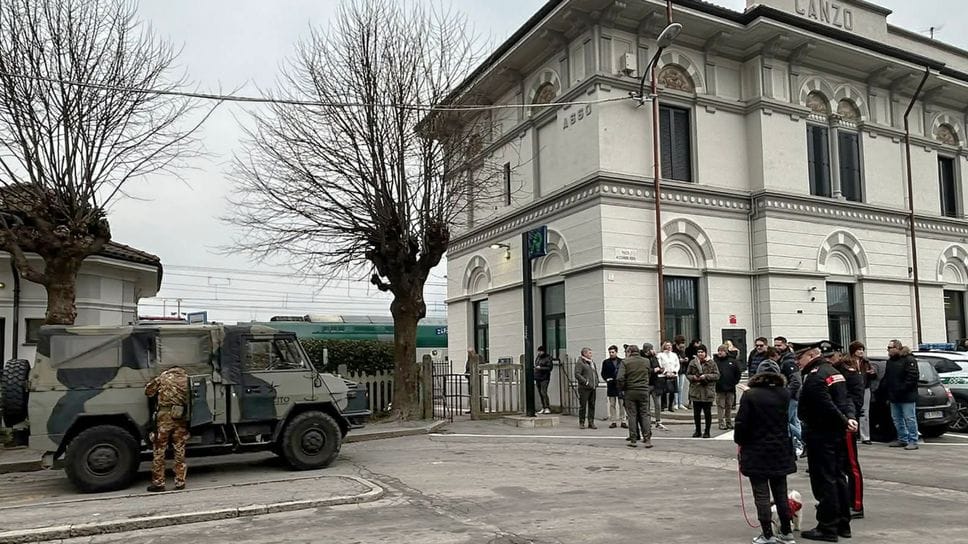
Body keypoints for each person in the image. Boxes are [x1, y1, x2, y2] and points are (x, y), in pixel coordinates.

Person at [795, 341, 856, 542]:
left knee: (824, 481)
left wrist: (844, 420)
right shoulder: (833, 371)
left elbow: (825, 404)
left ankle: (827, 527)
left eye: (800, 358)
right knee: (838, 477)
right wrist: (849, 417)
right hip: (836, 433)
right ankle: (843, 524)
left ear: (811, 355)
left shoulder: (815, 376)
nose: (798, 362)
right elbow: (846, 399)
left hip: (821, 433)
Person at [734, 360, 797, 544]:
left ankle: (767, 533)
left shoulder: (750, 395)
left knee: (761, 494)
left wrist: (740, 441)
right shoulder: (784, 393)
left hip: (756, 449)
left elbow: (741, 423)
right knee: (781, 492)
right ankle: (786, 531)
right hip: (780, 448)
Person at [832, 348, 867, 519]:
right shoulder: (834, 371)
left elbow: (854, 399)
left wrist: (849, 418)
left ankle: (856, 504)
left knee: (851, 466)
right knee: (838, 466)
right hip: (835, 423)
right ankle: (841, 500)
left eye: (831, 356)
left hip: (847, 422)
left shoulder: (849, 373)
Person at [145, 365, 191, 492]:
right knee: (179, 450)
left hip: (164, 419)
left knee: (159, 450)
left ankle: (159, 483)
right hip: (180, 417)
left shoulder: (163, 377)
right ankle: (180, 481)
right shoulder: (187, 379)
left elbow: (148, 391)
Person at [883, 339, 920, 450]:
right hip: (894, 396)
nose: (888, 350)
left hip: (907, 396)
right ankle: (902, 439)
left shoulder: (909, 359)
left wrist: (901, 389)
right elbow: (887, 378)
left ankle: (913, 440)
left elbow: (912, 377)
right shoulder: (890, 361)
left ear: (897, 348)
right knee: (897, 419)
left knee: (910, 418)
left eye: (890, 348)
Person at [617, 344, 654, 448]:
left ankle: (633, 439)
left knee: (632, 415)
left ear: (629, 352)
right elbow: (649, 373)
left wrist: (622, 388)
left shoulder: (625, 362)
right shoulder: (646, 361)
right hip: (643, 390)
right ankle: (647, 439)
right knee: (645, 414)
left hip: (630, 390)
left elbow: (620, 378)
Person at [774, 336, 804, 456]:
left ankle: (803, 441)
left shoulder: (788, 361)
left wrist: (786, 394)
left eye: (779, 345)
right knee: (793, 421)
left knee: (785, 421)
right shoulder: (783, 359)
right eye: (775, 345)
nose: (777, 347)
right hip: (790, 395)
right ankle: (798, 444)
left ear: (785, 345)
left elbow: (796, 381)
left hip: (790, 396)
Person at [686, 345, 719, 438]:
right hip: (696, 391)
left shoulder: (711, 363)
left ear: (705, 353)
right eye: (698, 352)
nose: (700, 354)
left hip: (707, 391)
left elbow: (717, 375)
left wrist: (706, 376)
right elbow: (688, 374)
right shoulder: (693, 362)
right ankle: (698, 431)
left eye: (702, 352)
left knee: (707, 413)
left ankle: (707, 431)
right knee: (696, 413)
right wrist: (693, 377)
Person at [847, 341, 876, 445]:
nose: (861, 352)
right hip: (852, 390)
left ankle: (865, 436)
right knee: (852, 411)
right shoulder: (847, 362)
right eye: (859, 349)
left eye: (862, 349)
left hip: (865, 389)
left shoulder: (866, 362)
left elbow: (873, 376)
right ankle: (853, 434)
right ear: (853, 351)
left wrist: (872, 373)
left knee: (864, 412)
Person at [714, 344, 741, 430]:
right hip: (719, 388)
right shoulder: (715, 362)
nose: (720, 352)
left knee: (729, 406)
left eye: (722, 351)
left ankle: (728, 422)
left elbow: (738, 373)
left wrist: (734, 382)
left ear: (726, 352)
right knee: (720, 406)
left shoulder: (733, 361)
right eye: (719, 351)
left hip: (730, 388)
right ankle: (721, 423)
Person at [642, 342, 667, 430]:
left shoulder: (653, 357)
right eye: (651, 349)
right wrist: (653, 370)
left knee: (657, 404)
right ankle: (647, 422)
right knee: (646, 405)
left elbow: (657, 366)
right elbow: (643, 370)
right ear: (647, 350)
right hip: (646, 384)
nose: (653, 350)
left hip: (655, 383)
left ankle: (658, 421)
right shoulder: (642, 358)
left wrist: (660, 369)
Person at [601, 345, 626, 428]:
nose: (611, 354)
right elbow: (603, 373)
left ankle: (623, 420)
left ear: (616, 352)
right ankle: (613, 421)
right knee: (612, 404)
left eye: (613, 352)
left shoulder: (622, 361)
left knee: (622, 404)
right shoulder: (606, 362)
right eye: (610, 352)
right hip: (611, 385)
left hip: (620, 385)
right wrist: (607, 379)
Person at [574, 347, 599, 429]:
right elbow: (577, 374)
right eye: (589, 353)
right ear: (584, 354)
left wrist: (597, 381)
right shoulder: (580, 362)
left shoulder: (592, 362)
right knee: (583, 405)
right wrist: (586, 382)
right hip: (584, 388)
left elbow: (595, 373)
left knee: (592, 405)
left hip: (593, 387)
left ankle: (591, 422)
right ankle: (582, 422)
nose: (591, 354)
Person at [656, 340, 680, 411]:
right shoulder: (660, 355)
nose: (669, 347)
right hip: (663, 375)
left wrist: (674, 372)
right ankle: (663, 406)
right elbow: (659, 364)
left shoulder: (674, 355)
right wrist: (665, 372)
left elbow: (677, 364)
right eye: (667, 345)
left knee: (672, 391)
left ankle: (670, 406)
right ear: (664, 346)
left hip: (673, 374)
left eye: (670, 345)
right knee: (663, 391)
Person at [534, 346, 554, 415]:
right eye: (538, 351)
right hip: (538, 377)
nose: (539, 353)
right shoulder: (538, 358)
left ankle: (547, 407)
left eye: (540, 351)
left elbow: (549, 368)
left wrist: (541, 368)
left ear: (543, 351)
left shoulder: (548, 358)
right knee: (540, 393)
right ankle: (543, 407)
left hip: (544, 378)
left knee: (543, 392)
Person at [674, 335, 691, 409]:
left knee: (681, 387)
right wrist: (679, 360)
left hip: (682, 370)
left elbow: (684, 358)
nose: (682, 347)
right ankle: (676, 403)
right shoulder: (673, 351)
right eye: (680, 346)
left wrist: (686, 359)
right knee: (676, 387)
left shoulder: (682, 351)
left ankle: (680, 403)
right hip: (676, 371)